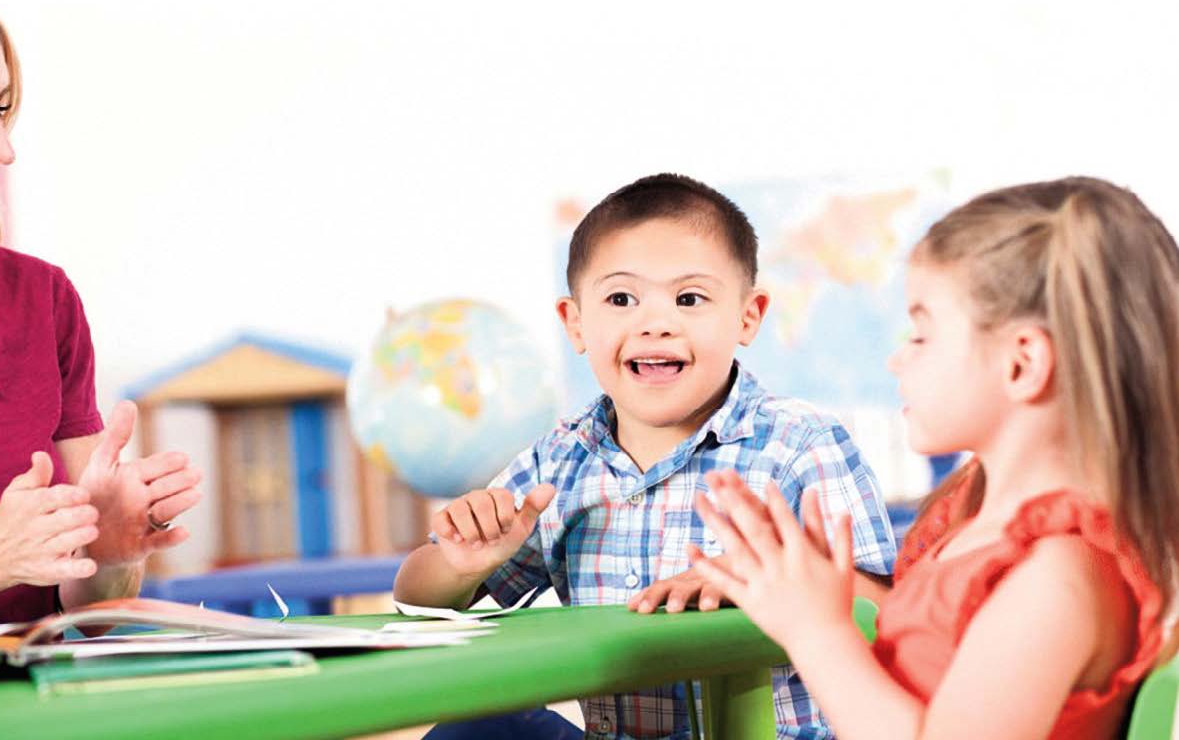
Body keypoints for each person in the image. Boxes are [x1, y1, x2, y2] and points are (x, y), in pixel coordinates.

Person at [395, 173, 897, 739]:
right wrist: (461, 565)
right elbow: (417, 599)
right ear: (575, 323)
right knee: (478, 728)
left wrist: (767, 580)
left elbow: (884, 609)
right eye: (620, 298)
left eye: (689, 298)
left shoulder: (800, 443)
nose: (655, 323)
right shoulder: (560, 460)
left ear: (748, 316)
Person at [690, 177, 1177, 739]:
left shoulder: (1060, 577)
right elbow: (927, 651)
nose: (898, 361)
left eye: (921, 335)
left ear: (1021, 365)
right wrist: (803, 584)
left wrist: (817, 631)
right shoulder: (975, 524)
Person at [0, 0, 201, 626]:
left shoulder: (44, 301)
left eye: (1, 109)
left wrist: (107, 554)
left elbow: (89, 618)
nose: (0, 149)